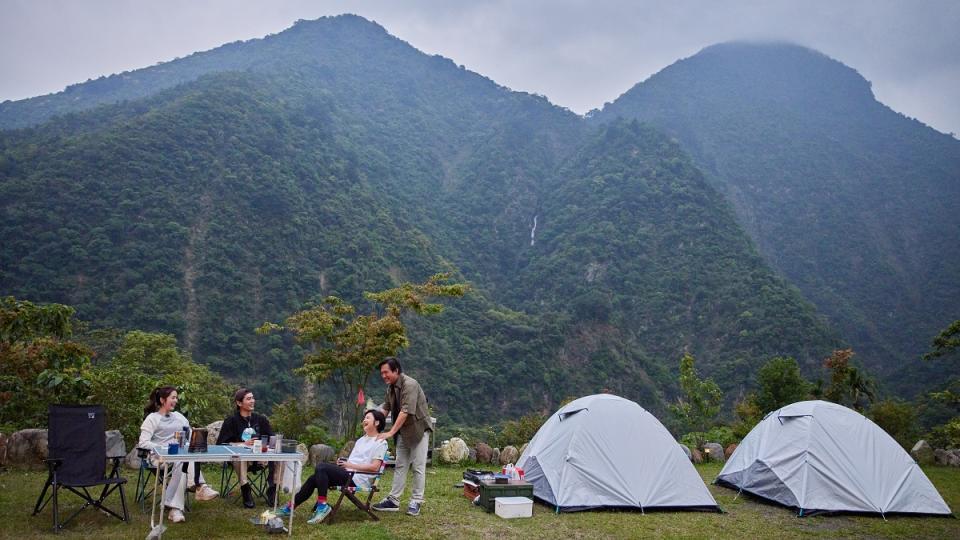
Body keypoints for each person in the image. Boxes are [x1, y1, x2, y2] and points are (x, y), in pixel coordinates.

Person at [277, 409, 388, 524]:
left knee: (322, 467)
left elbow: (375, 467)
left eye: (368, 418)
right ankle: (290, 507)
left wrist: (350, 465)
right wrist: (344, 463)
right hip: (348, 474)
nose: (364, 420)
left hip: (358, 479)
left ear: (377, 423)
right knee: (313, 479)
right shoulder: (361, 440)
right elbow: (354, 461)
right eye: (364, 418)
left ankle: (322, 507)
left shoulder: (380, 442)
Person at [138, 386, 219, 523]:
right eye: (173, 398)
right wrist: (164, 447)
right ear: (163, 400)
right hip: (158, 457)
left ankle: (176, 509)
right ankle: (199, 487)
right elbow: (143, 442)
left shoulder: (179, 417)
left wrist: (194, 440)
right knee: (182, 461)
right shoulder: (152, 418)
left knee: (183, 459)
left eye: (176, 398)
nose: (176, 400)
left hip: (178, 456)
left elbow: (191, 434)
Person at [372, 357, 432, 516]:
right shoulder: (390, 387)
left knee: (418, 466)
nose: (383, 376)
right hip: (403, 431)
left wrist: (390, 432)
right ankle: (393, 500)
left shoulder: (410, 385)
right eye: (382, 373)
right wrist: (373, 422)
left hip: (418, 429)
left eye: (386, 372)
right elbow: (385, 409)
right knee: (400, 464)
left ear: (396, 371)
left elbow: (406, 411)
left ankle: (416, 501)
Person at [216, 388, 277, 508]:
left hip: (260, 458)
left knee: (280, 458)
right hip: (241, 460)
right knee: (240, 456)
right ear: (239, 403)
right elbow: (221, 444)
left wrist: (262, 443)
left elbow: (272, 439)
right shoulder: (231, 421)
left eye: (253, 398)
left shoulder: (261, 420)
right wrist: (243, 444)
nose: (252, 401)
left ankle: (273, 488)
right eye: (249, 399)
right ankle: (245, 489)